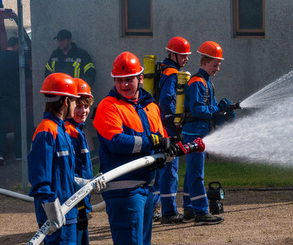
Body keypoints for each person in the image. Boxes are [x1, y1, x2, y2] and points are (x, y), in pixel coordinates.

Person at [93, 51, 182, 244]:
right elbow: (117, 142)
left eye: (129, 79)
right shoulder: (108, 107)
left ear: (140, 78)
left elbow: (161, 138)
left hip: (147, 189)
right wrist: (155, 142)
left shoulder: (150, 106)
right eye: (119, 80)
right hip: (123, 192)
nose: (124, 85)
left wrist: (168, 148)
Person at [181, 41, 236, 225]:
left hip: (197, 132)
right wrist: (216, 109)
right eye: (215, 64)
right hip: (194, 134)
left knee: (191, 173)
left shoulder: (206, 82)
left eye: (219, 64)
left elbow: (205, 110)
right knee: (196, 174)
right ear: (204, 62)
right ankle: (201, 212)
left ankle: (189, 208)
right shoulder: (198, 82)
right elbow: (197, 110)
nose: (218, 68)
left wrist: (221, 113)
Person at [28, 73, 81, 244]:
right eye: (74, 101)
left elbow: (63, 173)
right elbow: (39, 177)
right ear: (66, 101)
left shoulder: (61, 130)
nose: (76, 105)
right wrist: (51, 210)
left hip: (67, 212)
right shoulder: (47, 131)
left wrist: (86, 184)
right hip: (56, 217)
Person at [157, 36, 191, 224]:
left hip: (156, 125)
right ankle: (169, 212)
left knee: (157, 167)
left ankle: (153, 208)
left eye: (187, 56)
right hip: (168, 128)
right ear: (173, 54)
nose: (186, 59)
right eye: (183, 56)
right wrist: (174, 120)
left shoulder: (161, 68)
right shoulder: (171, 73)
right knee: (170, 169)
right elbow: (166, 100)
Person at [65, 78, 95, 245]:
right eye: (78, 106)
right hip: (73, 205)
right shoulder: (68, 133)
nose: (83, 110)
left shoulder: (78, 131)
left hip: (80, 202)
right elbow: (69, 175)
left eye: (86, 106)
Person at [0, 37, 24, 164]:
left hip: (3, 97)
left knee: (2, 127)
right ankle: (19, 154)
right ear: (16, 46)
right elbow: (27, 76)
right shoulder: (19, 59)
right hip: (16, 96)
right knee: (18, 125)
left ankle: (1, 154)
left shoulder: (1, 57)